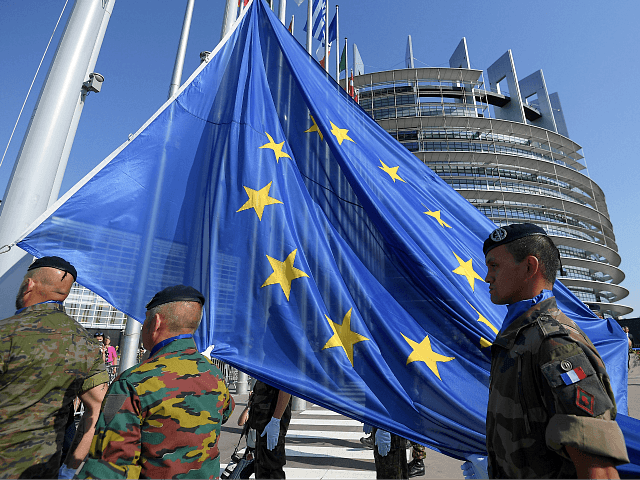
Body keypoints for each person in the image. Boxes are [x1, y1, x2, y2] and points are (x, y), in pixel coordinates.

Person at [472, 223, 629, 479]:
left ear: (529, 267)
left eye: (494, 266)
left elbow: (598, 469)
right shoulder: (521, 337)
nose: (487, 277)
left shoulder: (554, 344)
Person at [77, 285, 234, 479]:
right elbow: (226, 411)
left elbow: (111, 465)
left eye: (145, 321)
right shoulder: (215, 374)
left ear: (156, 322)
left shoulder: (132, 382)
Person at [0, 256, 109, 479]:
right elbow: (98, 410)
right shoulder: (86, 343)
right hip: (44, 470)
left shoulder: (6, 333)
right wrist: (69, 469)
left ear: (29, 285)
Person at [249, 379, 292, 479]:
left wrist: (275, 420)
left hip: (271, 423)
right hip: (263, 425)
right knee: (261, 469)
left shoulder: (280, 364)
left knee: (271, 470)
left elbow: (286, 388)